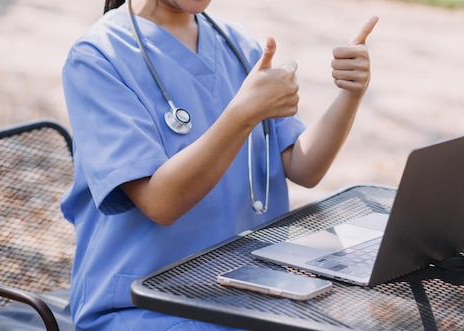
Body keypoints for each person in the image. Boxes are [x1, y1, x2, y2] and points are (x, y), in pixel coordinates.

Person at [61, 0, 378, 329]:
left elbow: (304, 167)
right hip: (143, 306)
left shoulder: (238, 45)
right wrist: (243, 114)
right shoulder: (96, 58)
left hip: (251, 292)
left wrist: (350, 94)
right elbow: (161, 203)